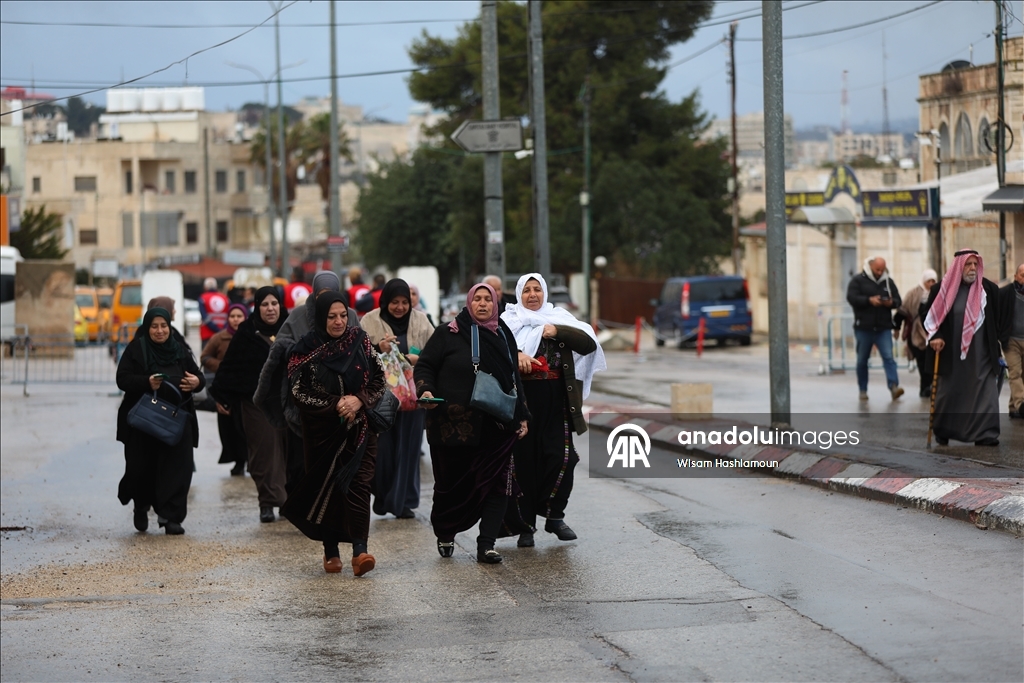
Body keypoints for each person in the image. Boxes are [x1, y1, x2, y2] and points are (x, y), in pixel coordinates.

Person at [414, 283, 530, 564]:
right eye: (476, 299)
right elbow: (425, 365)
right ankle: (445, 532)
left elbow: (513, 376)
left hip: (496, 426)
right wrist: (425, 389)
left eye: (487, 299)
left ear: (495, 303)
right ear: (468, 303)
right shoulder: (448, 333)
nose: (482, 304)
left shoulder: (503, 334)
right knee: (451, 488)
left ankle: (486, 544)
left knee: (498, 484)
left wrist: (523, 414)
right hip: (453, 428)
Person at [282, 292, 386, 577]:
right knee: (327, 486)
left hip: (361, 428)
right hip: (322, 434)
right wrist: (335, 405)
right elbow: (299, 392)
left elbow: (380, 377)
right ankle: (330, 550)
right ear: (320, 318)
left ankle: (360, 550)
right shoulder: (304, 350)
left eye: (343, 315)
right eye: (331, 316)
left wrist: (359, 400)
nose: (339, 321)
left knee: (359, 485)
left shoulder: (361, 340)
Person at [501, 273, 606, 547]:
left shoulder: (559, 318)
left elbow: (588, 344)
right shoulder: (507, 323)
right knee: (524, 465)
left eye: (537, 289)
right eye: (527, 290)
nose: (533, 295)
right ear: (519, 294)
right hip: (522, 404)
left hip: (557, 403)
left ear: (545, 293)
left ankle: (554, 516)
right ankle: (526, 527)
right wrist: (517, 355)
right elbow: (497, 353)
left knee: (563, 459)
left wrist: (555, 331)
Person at [255, 271, 360, 491]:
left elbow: (361, 349)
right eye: (322, 294)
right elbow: (281, 346)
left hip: (341, 403)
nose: (337, 319)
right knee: (302, 463)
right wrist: (305, 354)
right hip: (305, 403)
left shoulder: (348, 314)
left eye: (331, 293)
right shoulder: (298, 316)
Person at [116, 307, 204, 535]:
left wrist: (196, 382)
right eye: (154, 326)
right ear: (147, 327)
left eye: (163, 326)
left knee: (178, 469)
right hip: (145, 423)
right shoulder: (137, 349)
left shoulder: (180, 350)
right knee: (142, 469)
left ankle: (171, 517)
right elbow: (122, 379)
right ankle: (141, 506)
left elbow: (198, 376)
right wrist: (147, 382)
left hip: (176, 422)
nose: (159, 331)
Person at [212, 287, 289, 522]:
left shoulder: (290, 328)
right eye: (265, 304)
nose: (270, 309)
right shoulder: (246, 333)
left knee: (288, 452)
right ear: (257, 306)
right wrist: (222, 396)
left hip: (288, 402)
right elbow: (232, 367)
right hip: (256, 402)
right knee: (262, 452)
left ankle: (288, 501)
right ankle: (267, 502)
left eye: (274, 303)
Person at [360, 279, 435, 519]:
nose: (400, 307)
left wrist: (418, 359)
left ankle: (404, 501)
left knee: (409, 450)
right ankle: (383, 497)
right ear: (385, 302)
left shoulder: (422, 321)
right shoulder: (369, 321)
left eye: (405, 302)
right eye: (394, 302)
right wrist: (377, 347)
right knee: (382, 450)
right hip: (381, 397)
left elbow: (436, 351)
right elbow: (358, 354)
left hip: (413, 397)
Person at [921, 250, 1005, 446]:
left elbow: (999, 318)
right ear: (959, 266)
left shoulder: (989, 290)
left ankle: (986, 433)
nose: (973, 268)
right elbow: (929, 316)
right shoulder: (941, 289)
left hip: (981, 354)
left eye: (975, 264)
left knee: (985, 392)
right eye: (968, 265)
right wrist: (936, 336)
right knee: (949, 392)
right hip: (950, 353)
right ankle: (944, 430)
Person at [846, 256, 904, 401]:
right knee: (862, 360)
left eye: (882, 269)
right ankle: (863, 390)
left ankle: (893, 386)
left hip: (883, 327)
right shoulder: (858, 280)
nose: (880, 272)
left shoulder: (888, 282)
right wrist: (869, 300)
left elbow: (898, 301)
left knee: (889, 357)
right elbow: (851, 298)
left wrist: (890, 303)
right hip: (864, 328)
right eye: (877, 269)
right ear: (870, 266)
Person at [201, 304, 250, 475]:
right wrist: (222, 366)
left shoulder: (251, 336)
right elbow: (205, 356)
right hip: (227, 392)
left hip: (247, 390)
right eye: (232, 316)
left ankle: (251, 460)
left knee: (248, 427)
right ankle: (238, 462)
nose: (236, 319)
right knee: (231, 429)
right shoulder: (219, 338)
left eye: (239, 316)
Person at [894, 268, 938, 398]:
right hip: (916, 335)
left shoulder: (938, 293)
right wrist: (896, 328)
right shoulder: (913, 294)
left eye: (933, 281)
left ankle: (932, 387)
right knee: (922, 362)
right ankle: (925, 388)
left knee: (932, 362)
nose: (931, 283)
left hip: (934, 334)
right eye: (928, 281)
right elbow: (901, 313)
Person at [998, 262, 1024, 418]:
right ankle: (1021, 404)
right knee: (1015, 373)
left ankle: (1013, 407)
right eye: (1022, 275)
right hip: (1011, 340)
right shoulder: (1006, 293)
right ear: (1015, 276)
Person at [198, 277, 230, 344]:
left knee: (207, 353)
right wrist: (221, 329)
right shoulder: (225, 298)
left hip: (207, 334)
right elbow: (229, 315)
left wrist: (214, 328)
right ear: (216, 286)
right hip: (224, 332)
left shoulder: (203, 298)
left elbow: (204, 316)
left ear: (205, 287)